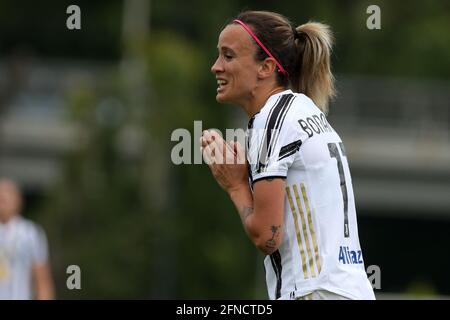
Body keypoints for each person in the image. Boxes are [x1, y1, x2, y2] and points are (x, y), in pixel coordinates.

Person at [201, 10, 375, 300]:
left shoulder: (272, 119)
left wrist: (236, 185)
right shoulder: (305, 110)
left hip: (312, 292)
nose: (215, 66)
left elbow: (268, 235)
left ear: (266, 67)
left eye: (228, 56)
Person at [0, 179, 55, 300]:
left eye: (7, 194)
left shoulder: (30, 233)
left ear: (18, 200)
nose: (2, 199)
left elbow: (42, 279)